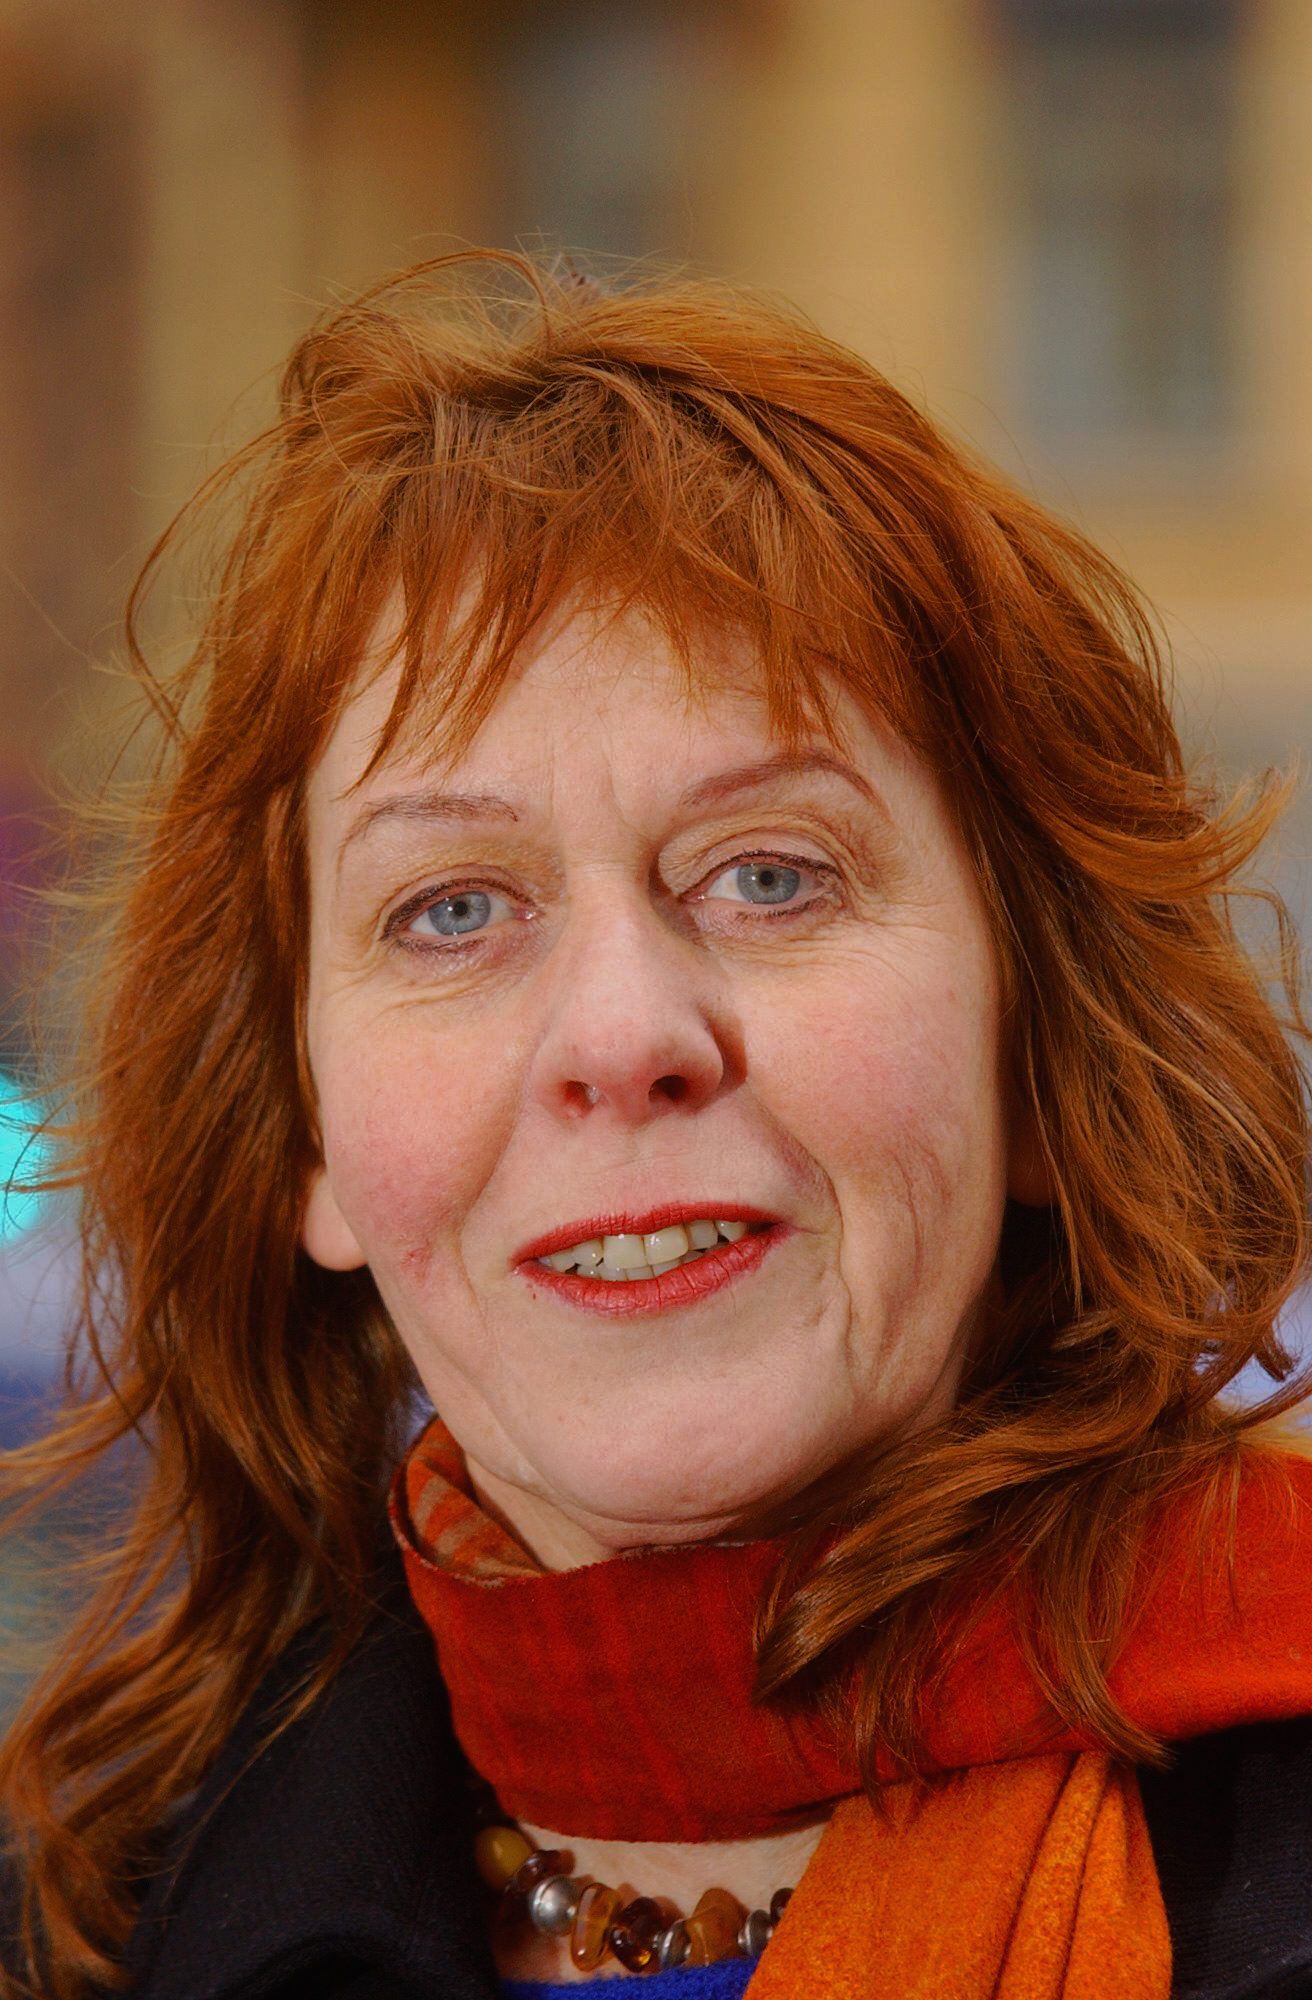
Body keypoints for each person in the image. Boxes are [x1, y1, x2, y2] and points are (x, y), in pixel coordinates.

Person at [2, 249, 1310, 2000]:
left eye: (771, 875)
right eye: (453, 910)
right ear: (308, 1136)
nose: (622, 1039)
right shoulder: (84, 1932)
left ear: (1040, 1060)